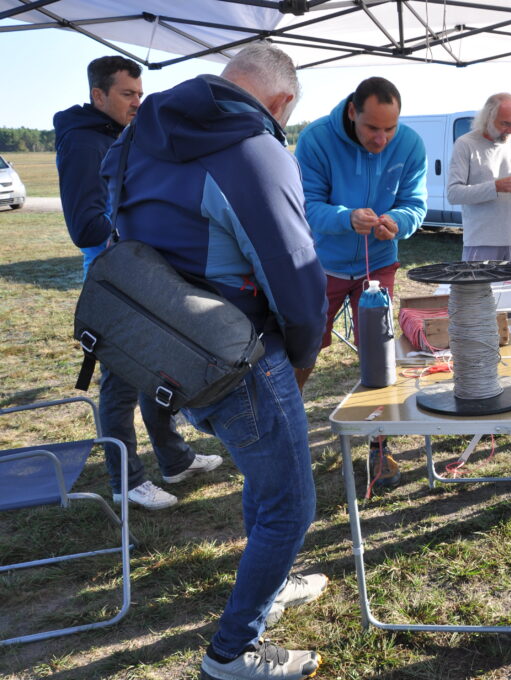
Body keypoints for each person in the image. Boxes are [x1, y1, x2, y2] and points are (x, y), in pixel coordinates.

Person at [100, 43, 329, 680]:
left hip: (161, 347)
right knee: (291, 505)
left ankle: (271, 584)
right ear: (281, 103)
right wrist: (306, 355)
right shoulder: (255, 150)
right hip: (239, 356)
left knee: (266, 477)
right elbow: (297, 278)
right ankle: (233, 652)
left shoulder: (137, 137)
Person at [53, 56, 221, 511]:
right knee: (121, 381)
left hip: (141, 272)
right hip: (117, 278)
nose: (137, 102)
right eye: (128, 94)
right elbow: (85, 226)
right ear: (99, 95)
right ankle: (124, 481)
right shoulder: (85, 142)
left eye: (140, 93)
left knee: (157, 367)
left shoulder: (117, 134)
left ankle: (174, 459)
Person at [294, 76, 427, 488]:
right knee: (303, 348)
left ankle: (379, 447)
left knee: (379, 351)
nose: (382, 139)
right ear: (353, 112)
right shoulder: (316, 139)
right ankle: (285, 433)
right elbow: (306, 205)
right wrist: (345, 218)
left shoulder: (411, 144)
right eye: (373, 128)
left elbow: (415, 205)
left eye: (390, 128)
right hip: (321, 265)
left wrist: (398, 223)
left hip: (378, 264)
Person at [446, 92, 511, 263]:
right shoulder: (465, 144)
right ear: (488, 117)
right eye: (505, 123)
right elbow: (454, 194)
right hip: (482, 240)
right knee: (479, 290)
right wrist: (495, 187)